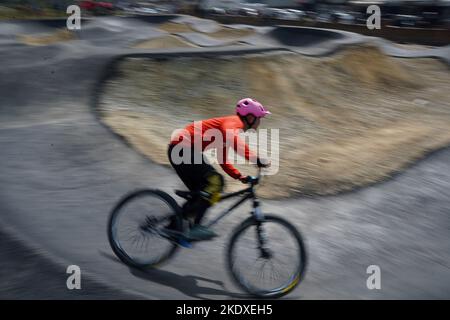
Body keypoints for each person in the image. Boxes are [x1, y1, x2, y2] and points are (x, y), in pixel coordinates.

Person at [167, 98, 271, 242]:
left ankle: (173, 227)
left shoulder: (229, 130)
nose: (260, 122)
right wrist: (256, 159)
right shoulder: (234, 122)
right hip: (182, 148)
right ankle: (195, 227)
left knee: (205, 193)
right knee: (216, 182)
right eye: (260, 118)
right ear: (250, 117)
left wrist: (241, 177)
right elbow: (237, 143)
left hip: (182, 150)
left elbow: (223, 160)